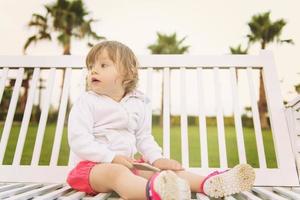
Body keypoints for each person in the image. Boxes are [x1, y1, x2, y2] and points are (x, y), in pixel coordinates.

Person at [66, 40, 256, 200]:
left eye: (103, 65)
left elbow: (143, 137)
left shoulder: (137, 102)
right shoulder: (87, 101)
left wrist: (158, 159)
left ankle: (208, 184)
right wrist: (111, 157)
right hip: (92, 169)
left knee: (158, 171)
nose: (93, 71)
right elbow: (79, 140)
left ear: (128, 74)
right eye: (91, 67)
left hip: (129, 164)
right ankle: (155, 192)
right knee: (117, 174)